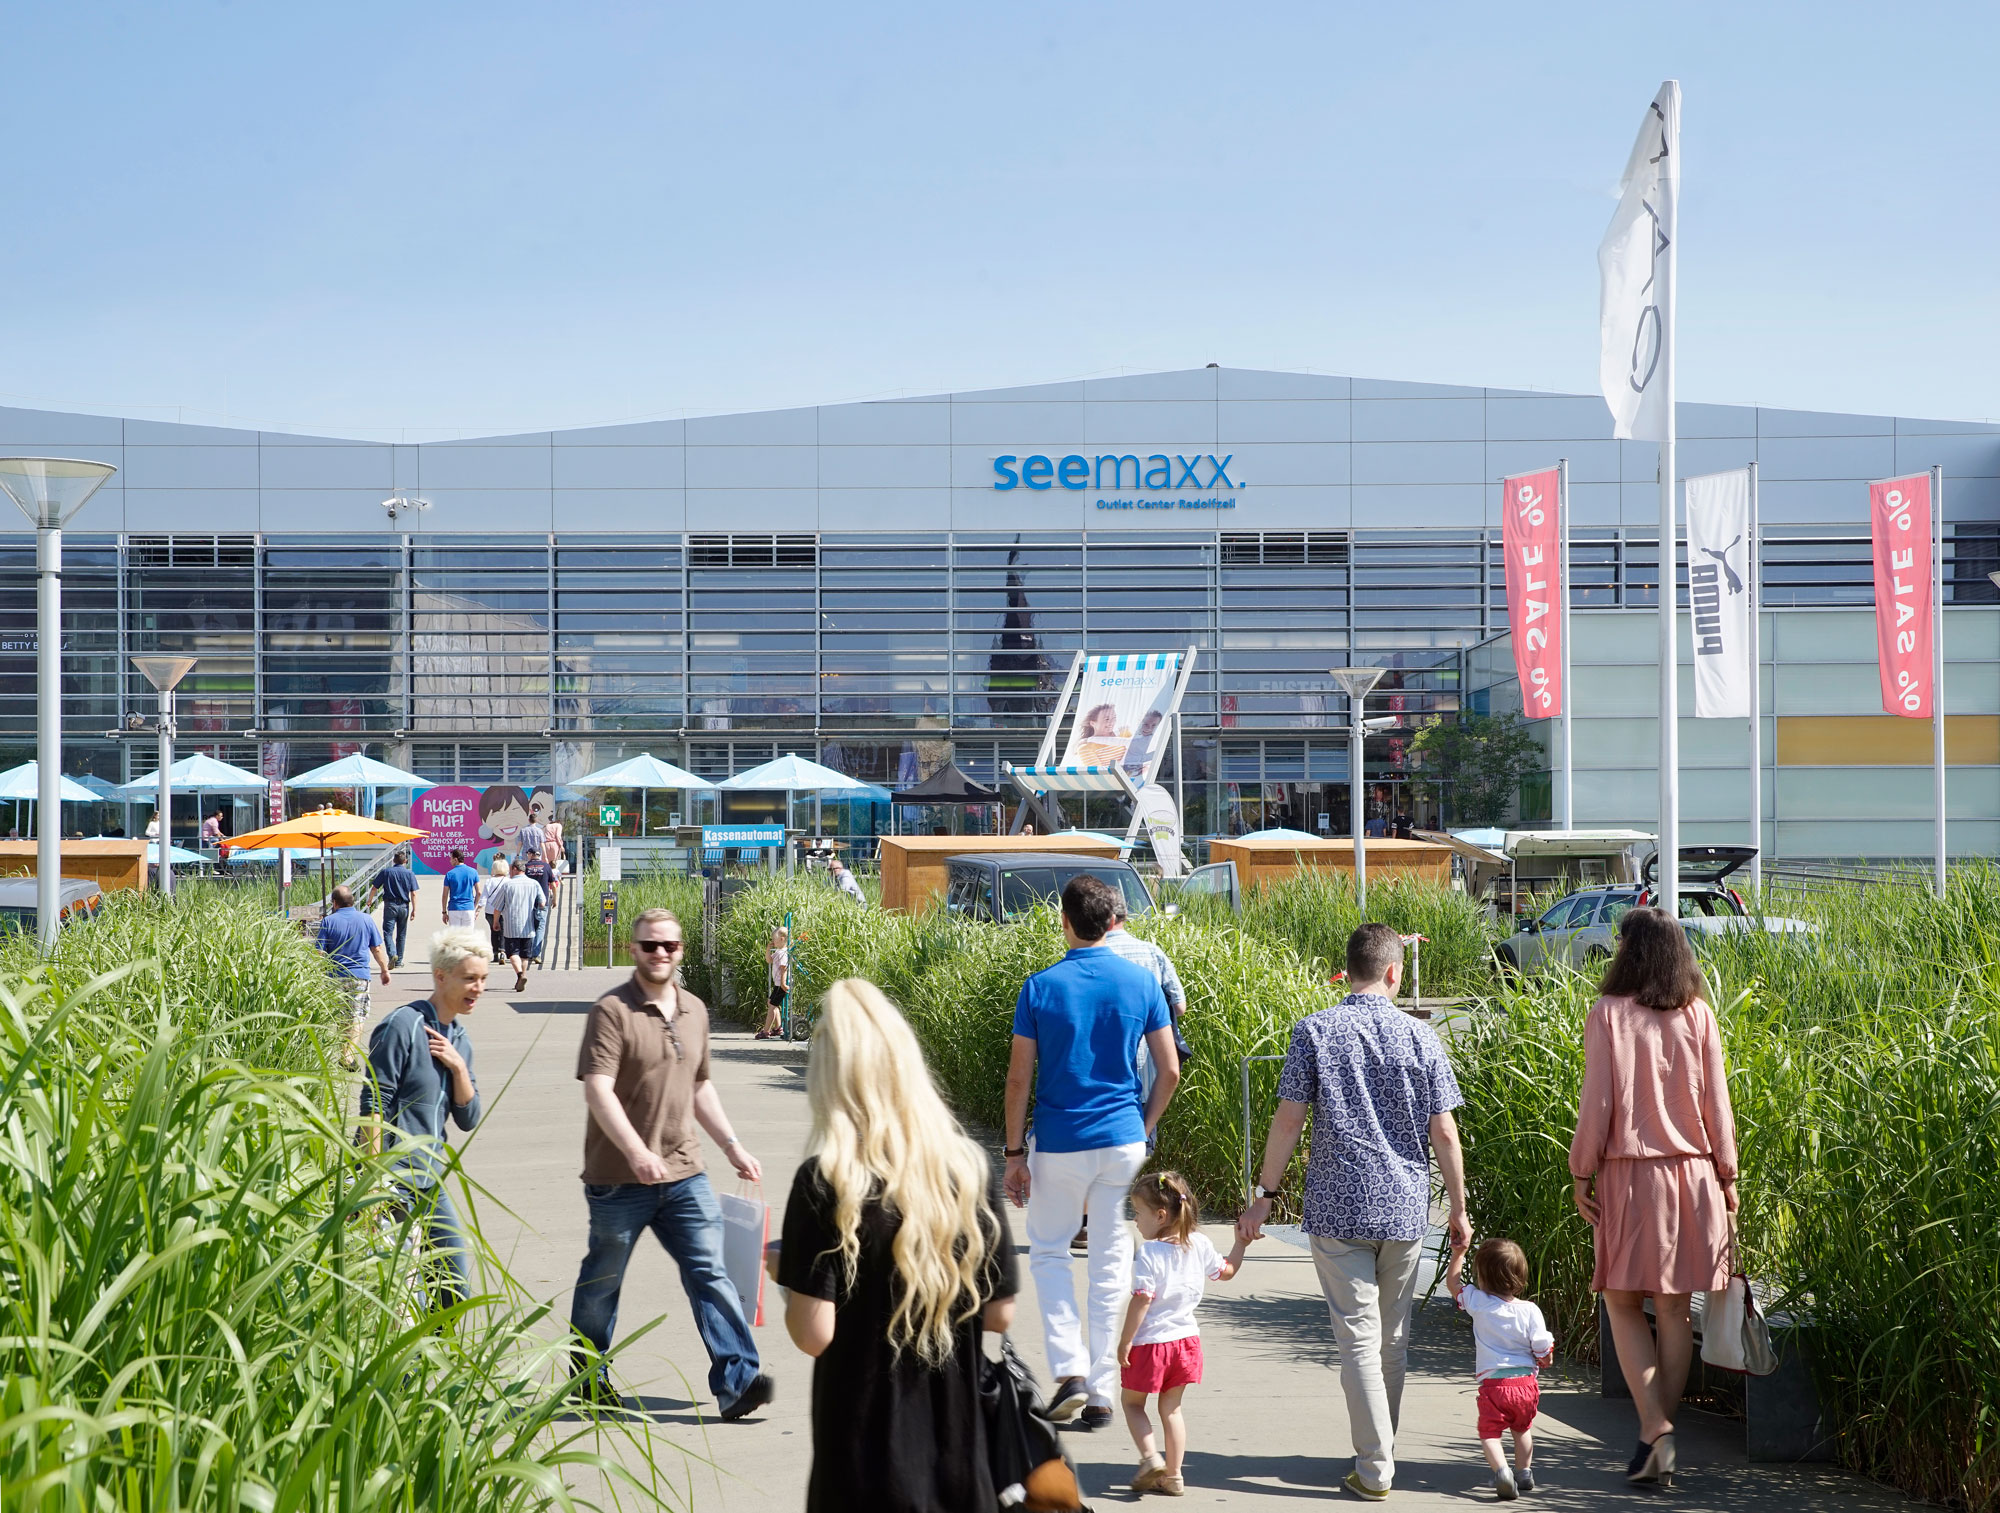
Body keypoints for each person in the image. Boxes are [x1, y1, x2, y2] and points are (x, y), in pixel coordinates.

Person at [1238, 922, 1470, 1501]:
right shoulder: (1424, 1039)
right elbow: (1444, 1132)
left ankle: (1374, 1465)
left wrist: (1264, 1196)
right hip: (1405, 1208)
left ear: (1351, 969)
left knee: (1359, 1341)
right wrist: (1459, 1210)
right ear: (1394, 972)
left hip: (1339, 1207)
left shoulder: (1314, 1031)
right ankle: (1379, 1451)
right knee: (1392, 1342)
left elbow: (1288, 1120)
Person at [771, 977, 1018, 1513]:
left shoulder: (826, 1182)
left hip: (862, 1464)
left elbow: (815, 1335)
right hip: (960, 1461)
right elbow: (1000, 1312)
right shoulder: (967, 1170)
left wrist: (787, 1278)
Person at [569, 908, 773, 1421]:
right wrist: (636, 1152)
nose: (661, 954)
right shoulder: (611, 1011)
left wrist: (732, 1146)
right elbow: (598, 1089)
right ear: (634, 949)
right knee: (604, 1278)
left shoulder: (695, 1010)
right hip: (618, 1177)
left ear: (681, 950)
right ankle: (587, 1380)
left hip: (685, 1171)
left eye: (670, 946)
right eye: (650, 945)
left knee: (711, 1271)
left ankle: (738, 1381)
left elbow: (700, 1084)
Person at [1569, 906, 1738, 1488]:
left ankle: (1655, 1430)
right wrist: (1729, 1176)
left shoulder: (1608, 1014)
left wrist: (1580, 1171)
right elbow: (1719, 1104)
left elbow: (1599, 1102)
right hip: (1694, 1177)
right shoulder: (1699, 1015)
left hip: (1631, 1176)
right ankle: (1657, 1432)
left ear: (1628, 952)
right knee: (1672, 1308)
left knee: (1621, 1301)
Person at [1003, 875, 1181, 1430]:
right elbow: (1169, 1069)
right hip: (1124, 1140)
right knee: (1110, 1261)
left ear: (1064, 921)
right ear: (1111, 922)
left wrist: (1013, 1154)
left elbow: (1018, 1079)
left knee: (1051, 1250)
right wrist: (1145, 1126)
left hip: (1059, 1140)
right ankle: (1103, 1392)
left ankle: (1071, 1371)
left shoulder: (1040, 987)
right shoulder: (1140, 982)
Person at [358, 926, 487, 1305]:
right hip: (392, 1180)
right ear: (441, 976)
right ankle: (408, 1366)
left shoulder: (458, 1039)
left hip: (430, 1179)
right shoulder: (402, 1025)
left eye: (482, 979)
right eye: (469, 978)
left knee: (454, 1290)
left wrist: (459, 1069)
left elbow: (469, 1117)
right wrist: (374, 1184)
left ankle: (432, 1359)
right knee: (398, 1297)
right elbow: (374, 1106)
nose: (477, 988)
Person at [1117, 1171, 1251, 1496]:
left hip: (1151, 1345)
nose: (1134, 1221)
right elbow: (1227, 1271)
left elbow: (1142, 1300)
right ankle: (1174, 1475)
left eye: (1137, 1213)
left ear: (1160, 1215)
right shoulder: (1200, 1244)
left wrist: (1125, 1340)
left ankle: (1150, 1458)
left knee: (1132, 1404)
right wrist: (1240, 1243)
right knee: (1172, 1409)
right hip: (1186, 1344)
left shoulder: (1150, 1253)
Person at [1444, 1237, 1554, 1500]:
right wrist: (1545, 1359)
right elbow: (1542, 1345)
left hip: (1495, 1386)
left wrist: (1458, 1253)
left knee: (1490, 1433)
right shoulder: (1530, 1310)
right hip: (1526, 1385)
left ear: (1482, 1277)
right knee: (1523, 1429)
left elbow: (1453, 1284)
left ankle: (1502, 1472)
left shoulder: (1478, 1303)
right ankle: (1524, 1472)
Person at [317, 884, 392, 1053]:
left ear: (334, 903)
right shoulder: (366, 919)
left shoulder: (328, 921)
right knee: (357, 1015)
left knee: (341, 1017)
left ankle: (345, 1053)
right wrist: (384, 970)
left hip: (335, 977)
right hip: (359, 976)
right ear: (352, 901)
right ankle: (348, 1055)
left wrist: (316, 975)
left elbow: (319, 952)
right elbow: (377, 949)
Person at [489, 858, 542, 992]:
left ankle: (519, 974)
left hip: (511, 925)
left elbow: (497, 907)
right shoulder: (534, 884)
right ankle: (522, 976)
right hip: (528, 925)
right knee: (524, 955)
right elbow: (542, 902)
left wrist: (495, 922)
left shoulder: (508, 885)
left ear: (514, 869)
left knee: (512, 953)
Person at [371, 848, 419, 969]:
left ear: (393, 860)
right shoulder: (410, 874)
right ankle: (399, 961)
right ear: (405, 861)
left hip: (390, 905)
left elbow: (374, 888)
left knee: (388, 932)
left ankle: (392, 954)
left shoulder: (386, 872)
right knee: (401, 934)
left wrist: (369, 900)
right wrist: (414, 909)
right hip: (404, 906)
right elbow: (413, 893)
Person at [522, 845, 557, 963]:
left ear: (531, 855)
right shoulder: (546, 866)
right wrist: (555, 899)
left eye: (528, 854)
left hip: (528, 902)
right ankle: (536, 954)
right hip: (543, 902)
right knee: (541, 927)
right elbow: (553, 884)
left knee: (529, 926)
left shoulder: (526, 867)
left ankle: (528, 952)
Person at [757, 923, 789, 1040]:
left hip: (780, 985)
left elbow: (783, 968)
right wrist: (768, 949)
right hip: (778, 984)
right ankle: (778, 1028)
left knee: (772, 1006)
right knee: (771, 1003)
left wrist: (783, 983)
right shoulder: (778, 952)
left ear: (782, 939)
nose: (773, 942)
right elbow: (769, 960)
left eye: (774, 940)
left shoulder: (783, 954)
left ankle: (766, 1031)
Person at [442, 848, 482, 930]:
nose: (450, 861)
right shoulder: (473, 872)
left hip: (454, 908)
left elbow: (445, 895)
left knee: (455, 937)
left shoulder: (449, 874)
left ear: (455, 859)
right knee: (468, 938)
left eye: (451, 859)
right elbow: (479, 893)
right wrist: (474, 906)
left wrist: (444, 912)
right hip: (469, 908)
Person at [484, 856, 512, 962]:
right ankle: (502, 952)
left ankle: (495, 953)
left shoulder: (489, 881)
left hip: (490, 910)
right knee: (503, 931)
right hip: (504, 911)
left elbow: (483, 897)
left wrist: (477, 909)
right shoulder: (508, 881)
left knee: (493, 931)